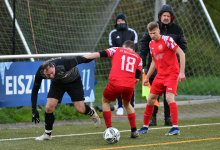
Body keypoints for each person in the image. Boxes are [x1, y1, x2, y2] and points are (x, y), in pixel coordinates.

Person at [139, 4, 187, 126]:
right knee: (152, 96)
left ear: (171, 17)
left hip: (171, 69)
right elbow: (144, 44)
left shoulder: (177, 29)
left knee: (168, 96)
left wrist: (176, 59)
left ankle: (169, 119)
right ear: (160, 16)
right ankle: (152, 118)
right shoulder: (152, 29)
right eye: (164, 15)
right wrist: (142, 62)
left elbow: (183, 47)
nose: (166, 17)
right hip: (156, 67)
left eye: (168, 16)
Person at [31, 56, 101, 140]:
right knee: (49, 107)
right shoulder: (40, 73)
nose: (51, 76)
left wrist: (101, 54)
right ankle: (47, 134)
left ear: (53, 67)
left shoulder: (64, 63)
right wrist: (34, 110)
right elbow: (35, 90)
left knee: (80, 109)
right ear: (43, 72)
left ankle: (92, 113)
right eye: (48, 75)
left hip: (73, 81)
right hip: (58, 83)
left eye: (52, 73)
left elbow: (83, 59)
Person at [84, 40, 142, 138]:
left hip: (116, 82)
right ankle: (134, 131)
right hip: (130, 85)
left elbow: (99, 54)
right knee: (127, 104)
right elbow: (137, 78)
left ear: (124, 46)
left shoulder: (116, 49)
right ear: (133, 49)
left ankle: (109, 130)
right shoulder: (138, 58)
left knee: (105, 101)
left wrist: (84, 57)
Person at [109, 13, 138, 115]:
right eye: (118, 21)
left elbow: (135, 48)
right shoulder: (112, 33)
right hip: (117, 64)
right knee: (117, 85)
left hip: (130, 64)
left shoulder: (132, 32)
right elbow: (112, 49)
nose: (120, 22)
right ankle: (120, 107)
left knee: (130, 85)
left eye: (122, 20)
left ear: (125, 21)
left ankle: (131, 105)